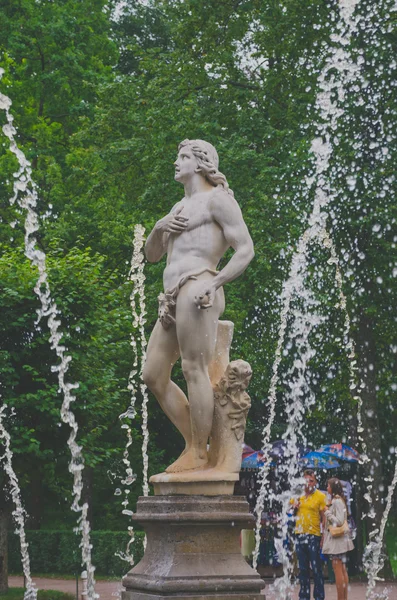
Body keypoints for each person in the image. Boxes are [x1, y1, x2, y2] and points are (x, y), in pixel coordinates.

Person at [143, 139, 254, 473]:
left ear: (202, 162)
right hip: (171, 298)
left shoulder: (217, 200)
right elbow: (151, 256)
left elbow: (246, 249)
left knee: (194, 368)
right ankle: (199, 442)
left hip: (199, 288)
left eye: (183, 157)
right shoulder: (177, 208)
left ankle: (198, 454)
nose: (176, 162)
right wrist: (158, 228)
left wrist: (215, 282)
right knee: (153, 375)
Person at [291, 470, 327, 600]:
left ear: (315, 482)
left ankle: (319, 597)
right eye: (306, 480)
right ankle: (304, 596)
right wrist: (294, 507)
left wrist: (323, 536)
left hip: (314, 535)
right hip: (299, 534)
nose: (309, 483)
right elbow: (289, 513)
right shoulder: (297, 495)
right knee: (303, 569)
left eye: (311, 480)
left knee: (316, 568)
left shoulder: (321, 496)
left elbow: (324, 518)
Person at [321, 477, 354, 600]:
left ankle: (341, 597)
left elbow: (339, 521)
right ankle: (343, 597)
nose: (327, 488)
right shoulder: (337, 500)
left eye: (328, 486)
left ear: (333, 488)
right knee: (342, 569)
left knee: (338, 569)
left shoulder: (337, 501)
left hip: (337, 542)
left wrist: (327, 512)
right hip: (340, 541)